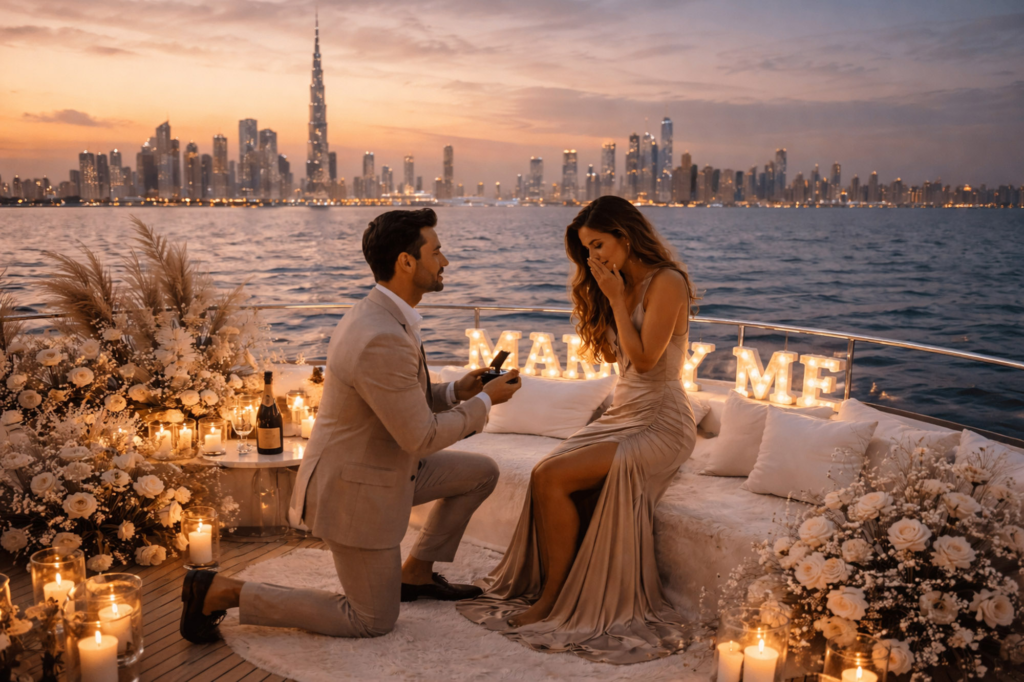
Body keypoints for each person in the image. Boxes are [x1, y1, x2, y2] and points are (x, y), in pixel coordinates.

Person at [180, 208, 522, 643]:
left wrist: (458, 391)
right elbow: (420, 435)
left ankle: (415, 573)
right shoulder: (381, 334)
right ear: (406, 262)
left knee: (480, 474)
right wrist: (489, 401)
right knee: (372, 620)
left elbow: (395, 401)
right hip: (355, 491)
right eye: (437, 251)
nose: (446, 261)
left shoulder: (382, 314)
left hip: (384, 468)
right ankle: (221, 591)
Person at [457, 196, 699, 664]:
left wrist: (616, 297)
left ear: (626, 235)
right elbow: (616, 359)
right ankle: (559, 585)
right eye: (587, 250)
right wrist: (606, 298)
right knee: (547, 470)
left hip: (660, 420)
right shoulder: (621, 283)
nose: (595, 257)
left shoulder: (666, 281)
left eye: (600, 244)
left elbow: (648, 362)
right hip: (623, 412)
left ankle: (552, 600)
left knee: (552, 477)